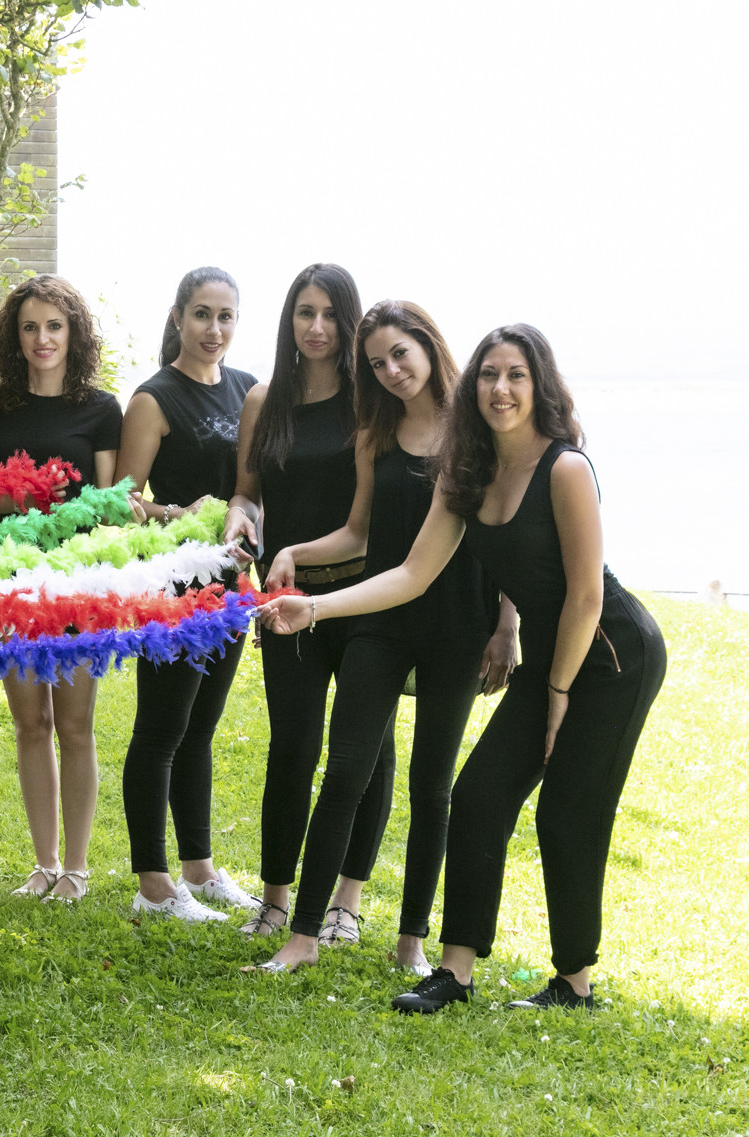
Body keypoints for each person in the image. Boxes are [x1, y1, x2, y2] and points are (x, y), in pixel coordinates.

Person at [260, 324, 666, 1012]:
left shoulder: (564, 467)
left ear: (538, 385)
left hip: (612, 655)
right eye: (487, 375)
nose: (499, 389)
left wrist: (558, 688)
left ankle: (573, 983)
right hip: (555, 658)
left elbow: (586, 594)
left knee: (567, 813)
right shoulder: (466, 475)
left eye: (514, 375)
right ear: (470, 385)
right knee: (477, 798)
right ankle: (453, 973)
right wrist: (315, 607)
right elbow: (411, 574)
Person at [250, 300, 517, 973]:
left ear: (427, 345)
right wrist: (293, 554)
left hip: (458, 627)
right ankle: (302, 935)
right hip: (382, 620)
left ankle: (411, 943)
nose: (391, 370)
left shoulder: (476, 432)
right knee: (344, 772)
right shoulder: (376, 432)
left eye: (400, 353)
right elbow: (360, 533)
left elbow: (504, 538)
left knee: (431, 787)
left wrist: (507, 625)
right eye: (376, 362)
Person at [222, 263, 397, 940]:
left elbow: (369, 519)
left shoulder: (370, 403)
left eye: (329, 313)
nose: (317, 327)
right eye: (304, 312)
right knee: (290, 745)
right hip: (283, 599)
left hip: (360, 599)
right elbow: (248, 492)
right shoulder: (263, 399)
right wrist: (240, 520)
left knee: (365, 753)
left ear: (349, 323)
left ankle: (344, 902)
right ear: (288, 320)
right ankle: (274, 898)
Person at [117, 267, 260, 923]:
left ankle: (198, 869)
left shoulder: (246, 390)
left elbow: (251, 487)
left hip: (232, 587)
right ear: (177, 317)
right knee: (161, 730)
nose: (214, 329)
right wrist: (180, 512)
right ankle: (153, 883)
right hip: (174, 589)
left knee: (200, 729)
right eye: (202, 314)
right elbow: (119, 504)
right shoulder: (154, 397)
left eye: (225, 316)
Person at [0, 274, 123, 902]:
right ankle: (41, 862)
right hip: (13, 577)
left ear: (75, 333)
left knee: (74, 724)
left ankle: (76, 868)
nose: (43, 339)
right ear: (15, 337)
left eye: (55, 326)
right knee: (30, 723)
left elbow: (107, 505)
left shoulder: (100, 409)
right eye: (30, 327)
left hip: (76, 580)